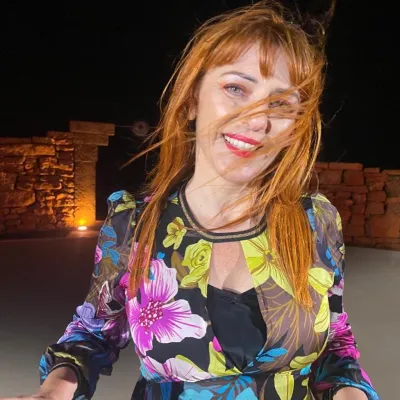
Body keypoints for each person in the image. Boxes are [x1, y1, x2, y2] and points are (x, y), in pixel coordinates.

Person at [4, 2, 380, 399]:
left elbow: (335, 341)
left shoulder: (315, 220)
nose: (258, 119)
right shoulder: (134, 223)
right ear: (191, 101)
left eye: (282, 103)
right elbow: (92, 333)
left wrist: (351, 393)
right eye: (236, 88)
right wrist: (54, 391)